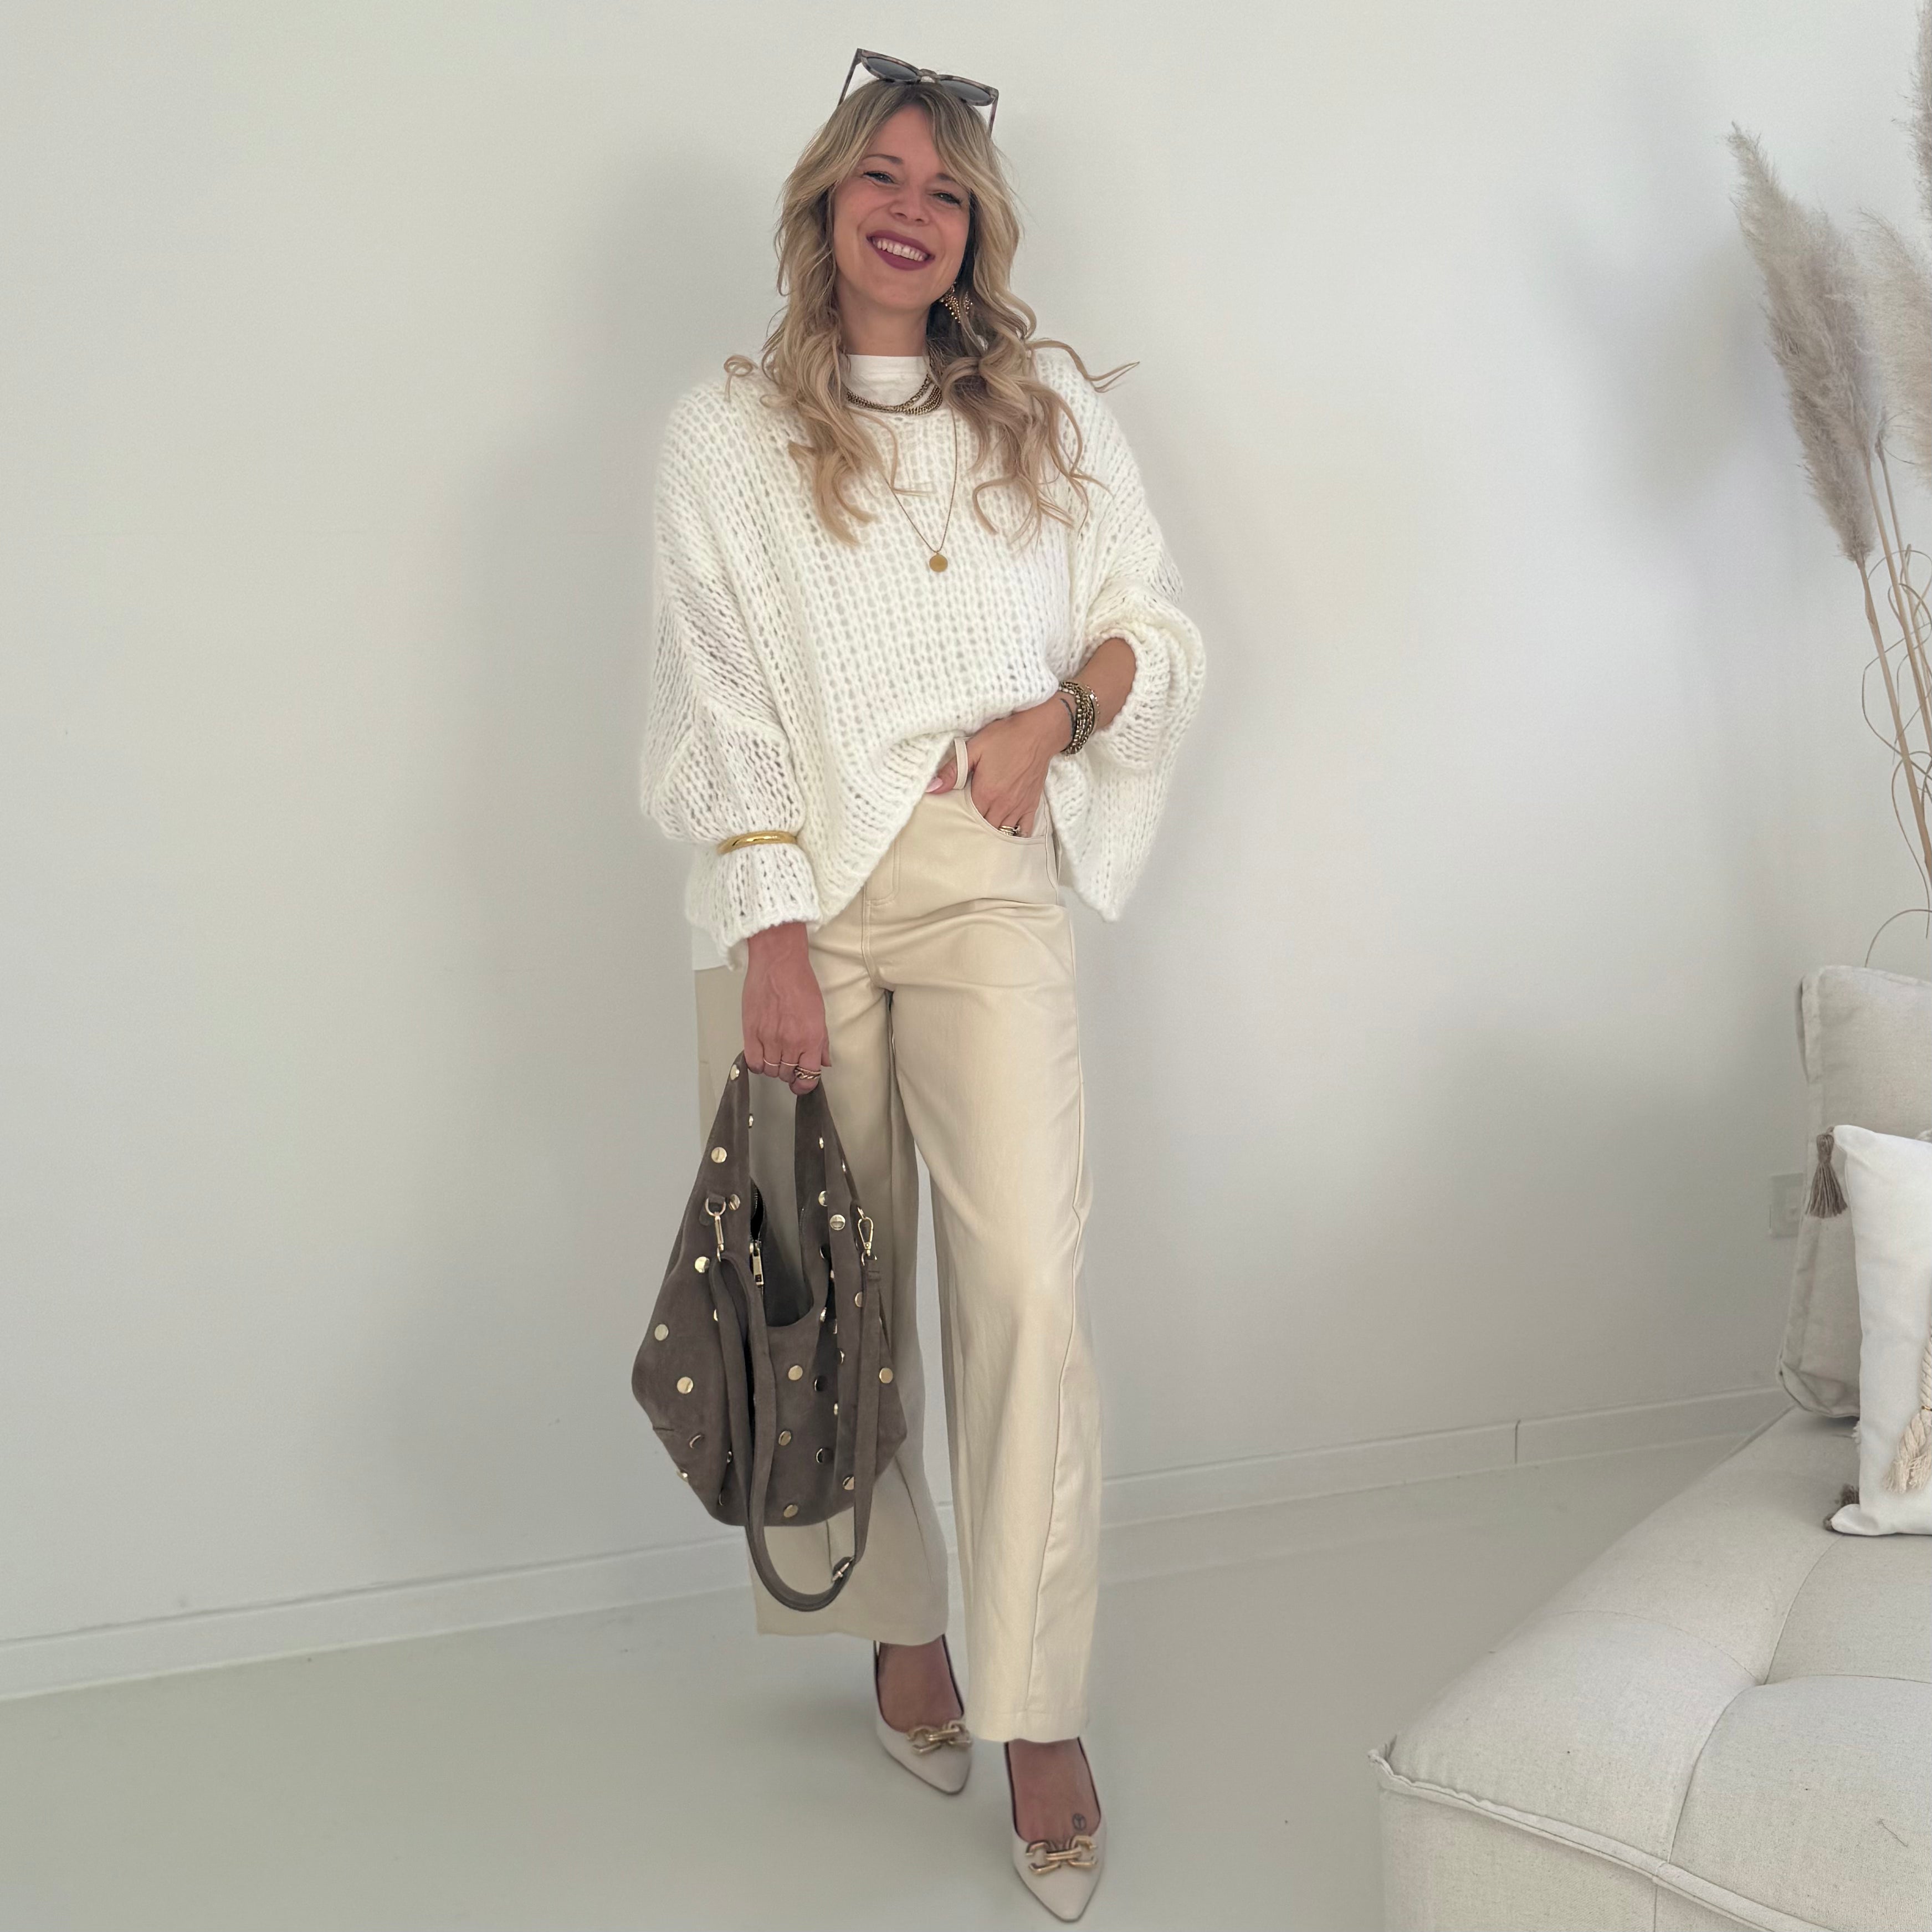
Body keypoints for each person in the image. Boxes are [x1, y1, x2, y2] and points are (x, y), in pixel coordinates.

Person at [638, 49, 1205, 1920]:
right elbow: (720, 699)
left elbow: (1154, 625)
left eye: (946, 188)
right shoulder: (726, 432)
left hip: (982, 876)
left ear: (977, 229)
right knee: (837, 1282)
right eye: (881, 175)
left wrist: (1061, 721)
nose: (911, 209)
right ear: (824, 201)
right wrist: (771, 939)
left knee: (1029, 1285)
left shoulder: (1045, 412)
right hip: (801, 897)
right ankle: (898, 1627)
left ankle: (1040, 1706)